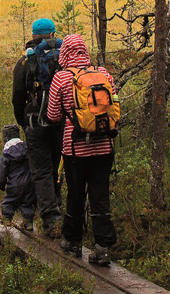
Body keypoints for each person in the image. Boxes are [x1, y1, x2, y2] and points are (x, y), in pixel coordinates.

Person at [45, 33, 118, 266]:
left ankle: (73, 242)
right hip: (105, 147)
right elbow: (114, 105)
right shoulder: (104, 74)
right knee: (101, 195)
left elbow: (53, 115)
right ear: (85, 51)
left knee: (76, 194)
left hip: (75, 148)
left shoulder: (61, 78)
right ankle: (103, 247)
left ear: (65, 52)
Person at [11, 17, 62, 238]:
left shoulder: (25, 62)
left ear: (33, 35)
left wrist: (24, 122)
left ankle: (51, 220)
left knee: (40, 171)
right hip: (61, 123)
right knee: (56, 169)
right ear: (52, 34)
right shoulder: (64, 58)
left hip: (35, 123)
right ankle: (59, 214)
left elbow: (17, 98)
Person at [0, 124, 35, 232]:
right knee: (27, 202)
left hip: (14, 184)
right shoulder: (28, 148)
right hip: (30, 182)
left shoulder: (6, 154)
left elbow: (0, 173)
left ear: (5, 137)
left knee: (9, 202)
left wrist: (1, 185)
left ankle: (7, 219)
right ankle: (28, 222)